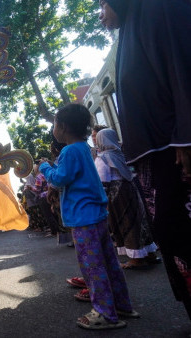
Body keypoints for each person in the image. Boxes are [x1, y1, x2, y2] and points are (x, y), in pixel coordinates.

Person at [99, 0, 191, 318]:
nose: (101, 14)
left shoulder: (159, 8)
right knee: (171, 234)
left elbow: (183, 69)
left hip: (175, 153)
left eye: (102, 4)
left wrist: (185, 139)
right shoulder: (132, 29)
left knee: (179, 230)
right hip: (155, 156)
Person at [39, 104, 137, 330]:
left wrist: (44, 168)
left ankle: (105, 314)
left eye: (54, 124)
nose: (54, 128)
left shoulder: (69, 151)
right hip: (97, 215)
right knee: (110, 263)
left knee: (93, 267)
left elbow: (60, 179)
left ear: (62, 127)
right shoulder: (84, 147)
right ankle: (121, 305)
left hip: (84, 218)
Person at [95, 129, 159, 268]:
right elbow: (132, 172)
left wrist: (103, 201)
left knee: (126, 223)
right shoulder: (122, 154)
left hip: (117, 194)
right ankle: (150, 254)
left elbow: (102, 180)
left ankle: (136, 260)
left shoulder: (103, 158)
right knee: (139, 221)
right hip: (131, 188)